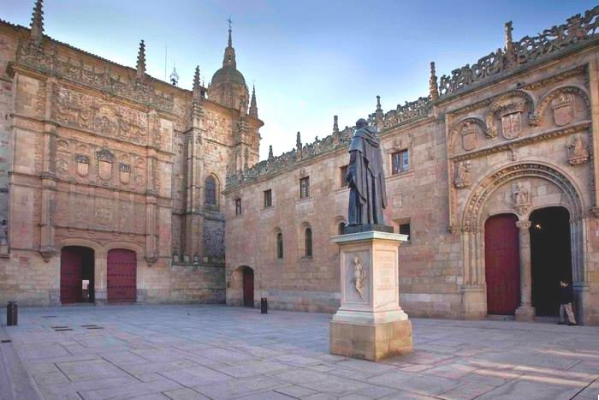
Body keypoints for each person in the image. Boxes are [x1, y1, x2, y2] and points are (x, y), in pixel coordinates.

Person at [346, 118, 387, 226]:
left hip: (362, 174)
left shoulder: (359, 134)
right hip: (374, 176)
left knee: (357, 193)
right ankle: (375, 219)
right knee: (373, 195)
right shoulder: (376, 139)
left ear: (358, 126)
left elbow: (354, 154)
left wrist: (350, 170)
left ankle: (361, 221)